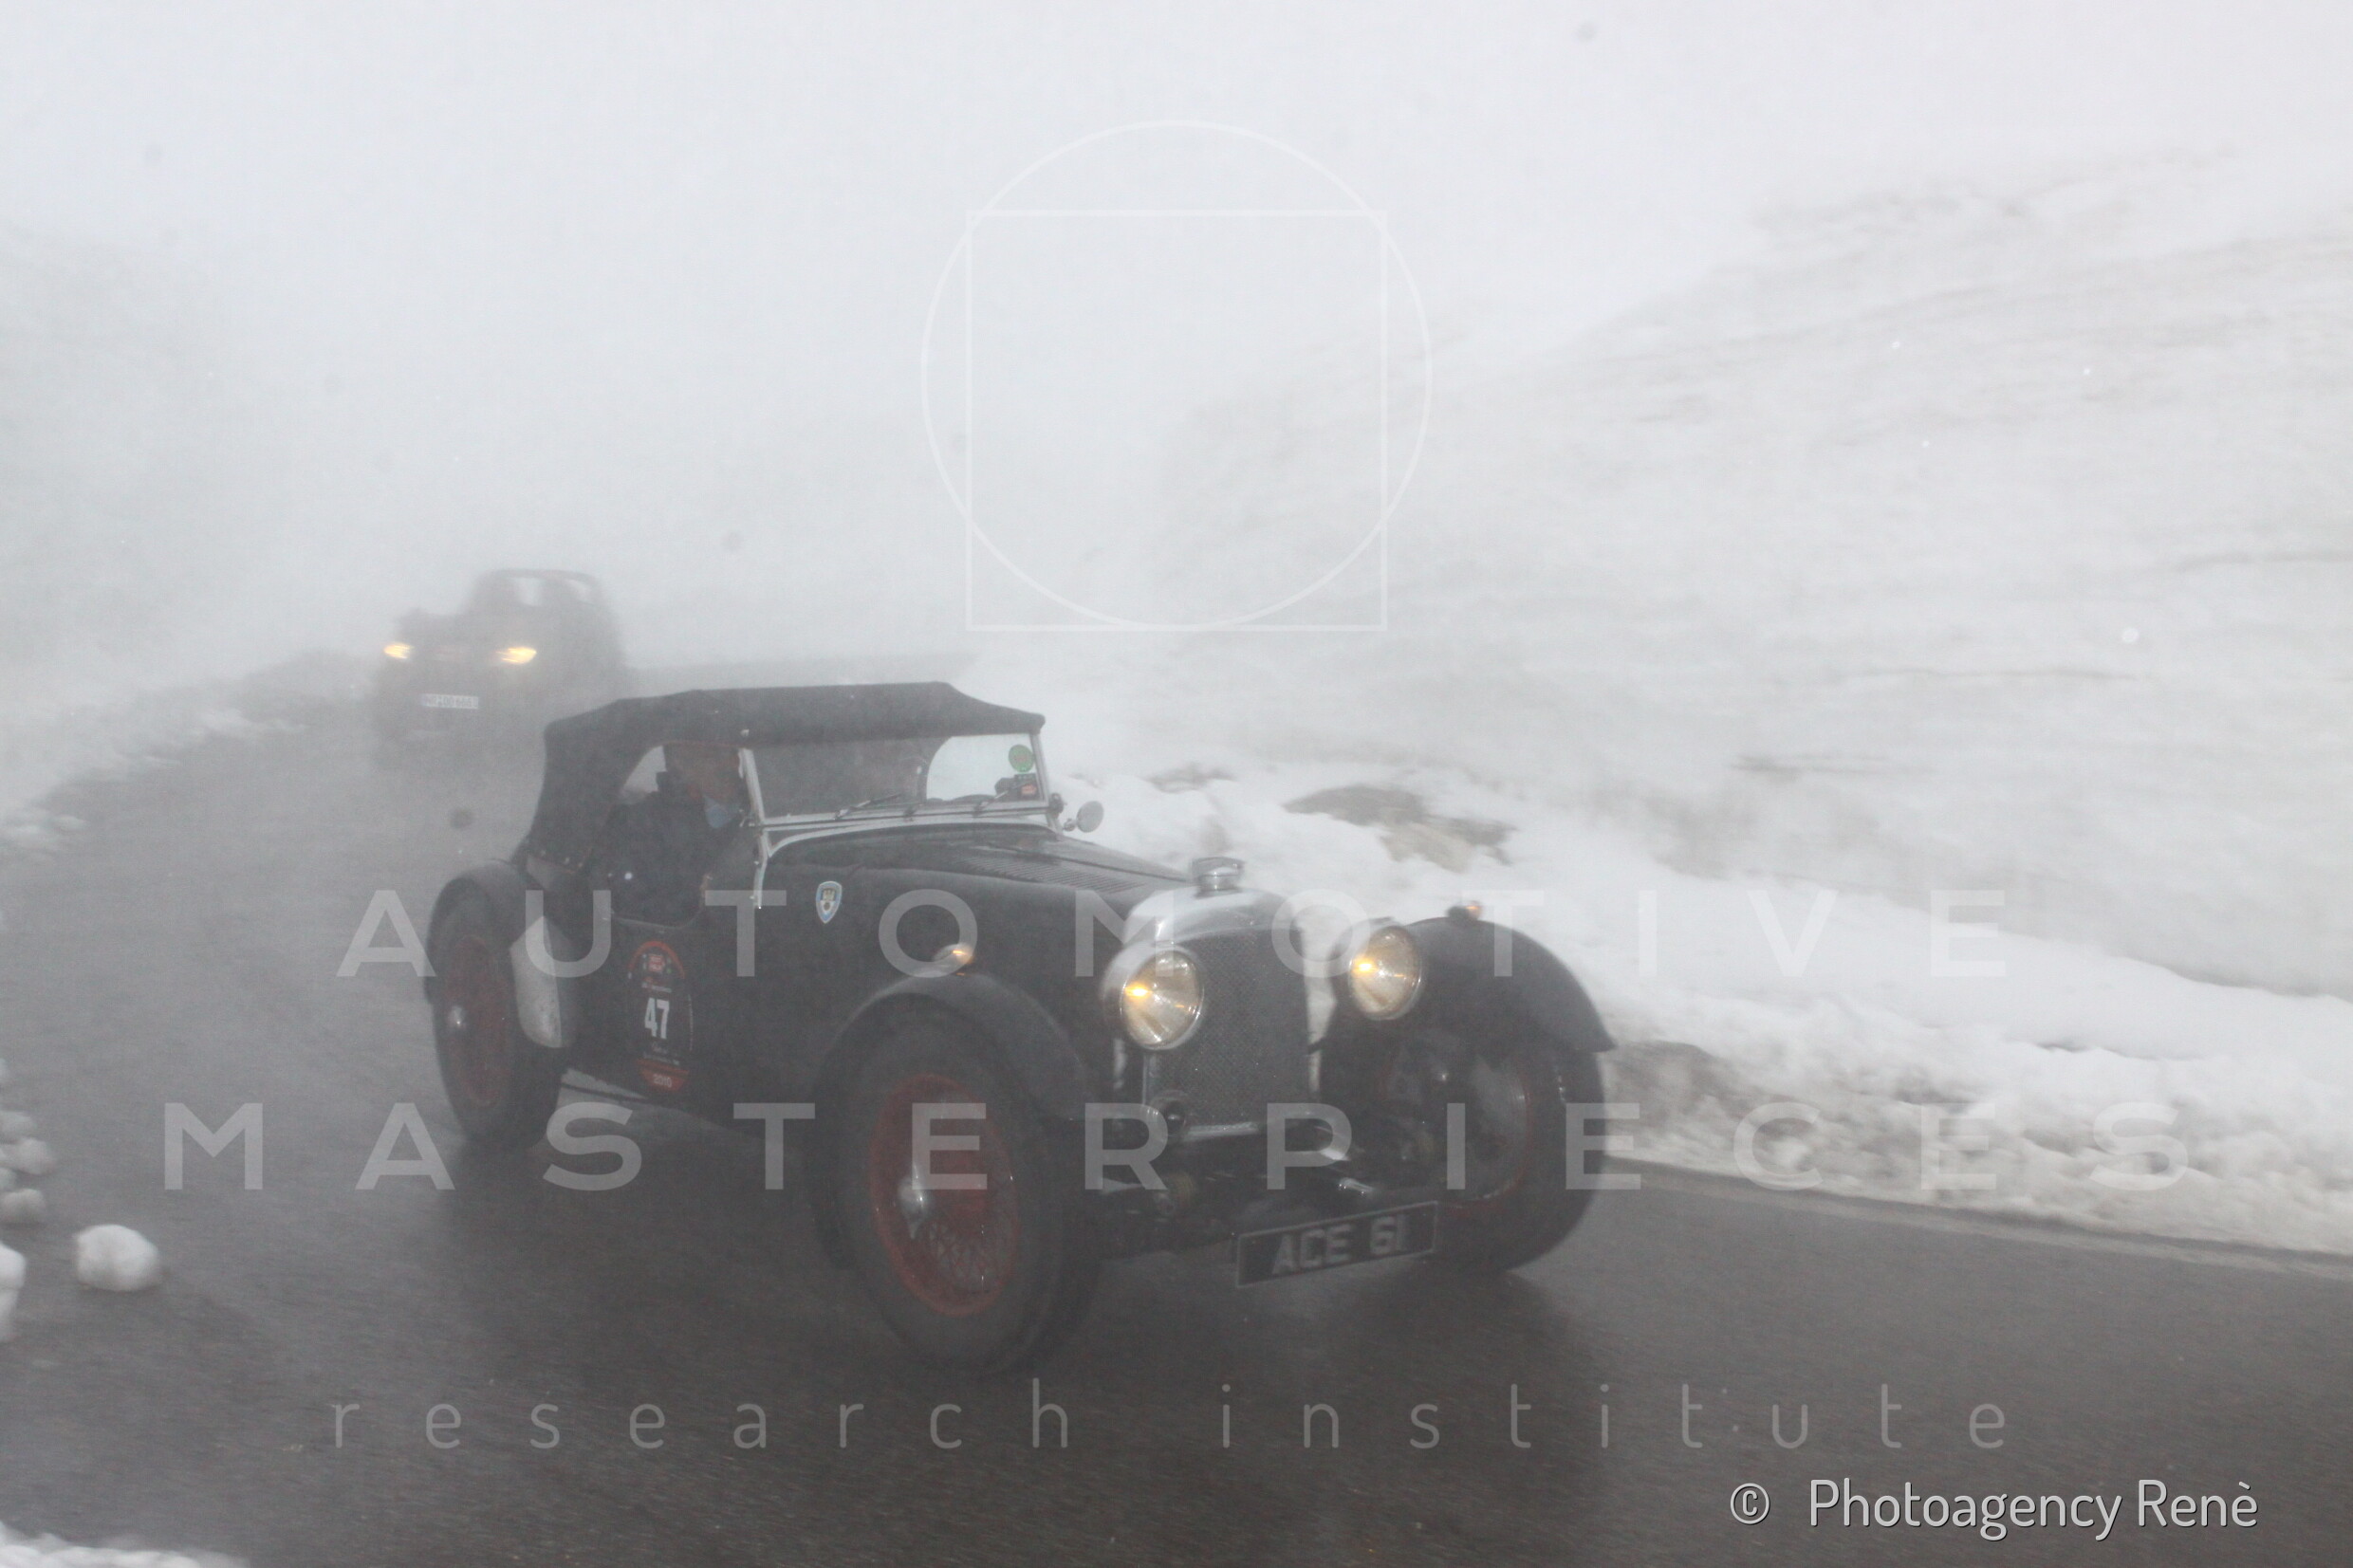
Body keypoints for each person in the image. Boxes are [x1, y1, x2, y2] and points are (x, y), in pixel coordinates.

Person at [610, 743, 748, 925]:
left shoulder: (767, 807)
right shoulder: (647, 822)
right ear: (678, 766)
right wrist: (701, 896)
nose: (720, 765)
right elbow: (631, 903)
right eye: (705, 757)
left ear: (736, 759)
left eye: (723, 753)